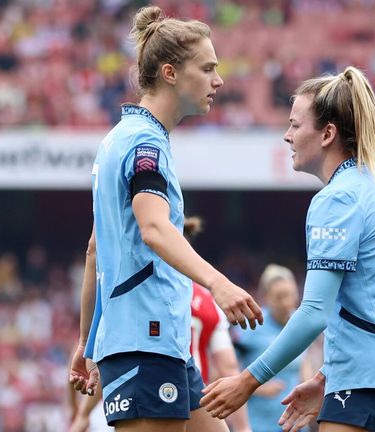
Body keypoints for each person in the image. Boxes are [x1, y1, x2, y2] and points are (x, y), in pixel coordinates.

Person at [200, 66, 375, 432]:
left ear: (327, 134)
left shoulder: (337, 198)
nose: (287, 135)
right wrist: (326, 379)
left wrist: (248, 382)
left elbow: (313, 313)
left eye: (295, 125)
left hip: (371, 379)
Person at [68, 6, 263, 432]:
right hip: (145, 340)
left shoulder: (120, 138)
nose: (219, 80)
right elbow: (154, 229)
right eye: (208, 68)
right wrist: (219, 284)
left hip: (158, 343)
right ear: (171, 73)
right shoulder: (145, 144)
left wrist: (87, 342)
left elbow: (96, 249)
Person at [184, 216, 253, 432]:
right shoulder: (207, 301)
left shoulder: (140, 293)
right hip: (195, 404)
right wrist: (242, 427)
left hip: (147, 399)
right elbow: (228, 367)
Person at [234, 264, 307, 432]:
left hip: (296, 426)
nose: (286, 302)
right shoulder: (250, 328)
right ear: (266, 297)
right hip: (259, 424)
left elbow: (304, 367)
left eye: (290, 295)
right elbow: (224, 370)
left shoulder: (302, 325)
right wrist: (254, 387)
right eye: (279, 296)